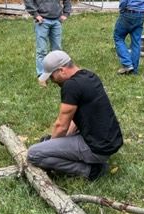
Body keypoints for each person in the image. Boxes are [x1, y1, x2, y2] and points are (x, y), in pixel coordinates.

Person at [27, 51, 123, 180]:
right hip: (109, 142)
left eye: (52, 77)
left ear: (61, 70)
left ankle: (90, 171)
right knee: (46, 142)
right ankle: (90, 161)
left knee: (34, 154)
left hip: (96, 149)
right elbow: (75, 117)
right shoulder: (89, 75)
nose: (52, 81)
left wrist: (50, 147)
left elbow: (61, 125)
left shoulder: (71, 86)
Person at [23, 0, 71, 84]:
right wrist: (35, 14)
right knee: (42, 50)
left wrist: (65, 13)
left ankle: (57, 75)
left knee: (57, 50)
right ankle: (42, 76)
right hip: (42, 20)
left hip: (57, 20)